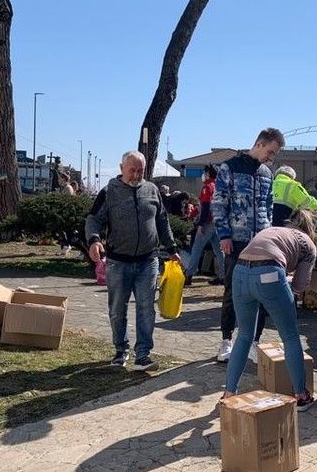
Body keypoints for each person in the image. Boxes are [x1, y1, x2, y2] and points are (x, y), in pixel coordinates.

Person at [86, 151, 180, 371]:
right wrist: (94, 240)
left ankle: (143, 355)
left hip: (148, 260)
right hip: (118, 262)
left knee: (146, 308)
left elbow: (162, 221)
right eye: (132, 170)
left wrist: (172, 248)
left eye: (141, 170)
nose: (137, 174)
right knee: (118, 309)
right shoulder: (109, 192)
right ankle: (120, 352)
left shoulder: (152, 190)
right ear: (121, 168)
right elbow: (93, 219)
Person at [222, 209, 317, 411]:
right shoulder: (308, 244)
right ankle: (301, 395)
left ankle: (229, 393)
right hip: (269, 273)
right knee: (290, 336)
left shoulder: (274, 230)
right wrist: (288, 284)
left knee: (244, 336)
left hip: (240, 272)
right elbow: (300, 286)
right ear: (311, 230)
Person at [211, 128, 285, 363]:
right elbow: (219, 203)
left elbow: (269, 205)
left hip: (261, 242)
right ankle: (226, 341)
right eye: (270, 152)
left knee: (262, 293)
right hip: (236, 240)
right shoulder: (229, 167)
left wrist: (270, 235)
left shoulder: (267, 173)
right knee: (233, 292)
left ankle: (254, 341)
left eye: (274, 155)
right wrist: (224, 235)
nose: (271, 158)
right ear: (259, 144)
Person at [183, 165, 225, 287]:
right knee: (218, 250)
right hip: (218, 222)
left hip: (207, 223)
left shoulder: (207, 187)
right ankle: (223, 276)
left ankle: (188, 275)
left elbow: (205, 207)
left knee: (197, 248)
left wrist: (200, 224)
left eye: (204, 173)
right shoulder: (219, 187)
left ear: (207, 174)